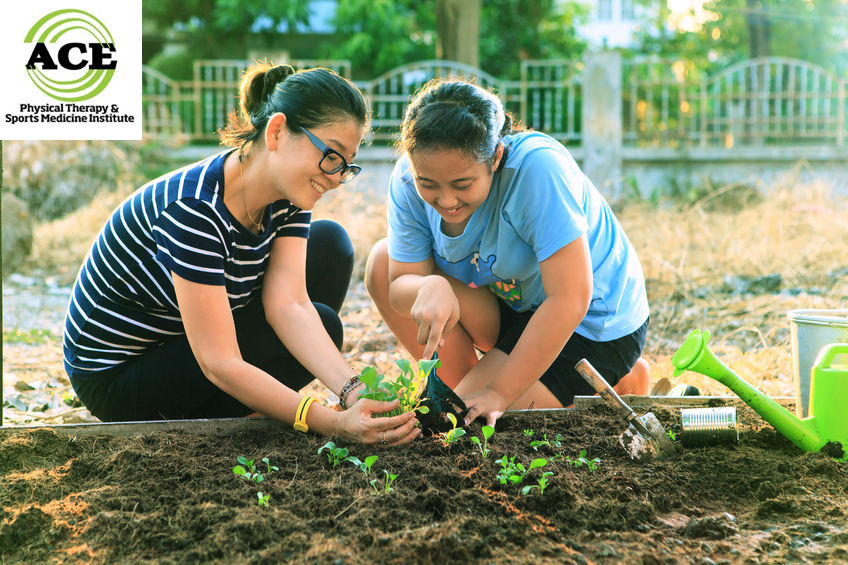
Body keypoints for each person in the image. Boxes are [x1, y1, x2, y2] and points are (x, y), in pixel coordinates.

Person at [63, 62, 418, 446]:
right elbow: (219, 362)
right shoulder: (194, 209)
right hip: (120, 377)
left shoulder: (290, 194)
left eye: (345, 165)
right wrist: (329, 423)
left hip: (187, 340)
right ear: (277, 131)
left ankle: (253, 404)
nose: (335, 178)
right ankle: (250, 408)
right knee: (325, 325)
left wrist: (353, 390)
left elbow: (289, 305)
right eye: (330, 156)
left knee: (329, 248)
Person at [365, 79, 651, 428]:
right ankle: (467, 385)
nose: (446, 200)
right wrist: (428, 286)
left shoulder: (538, 169)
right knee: (382, 262)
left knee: (473, 419)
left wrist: (499, 393)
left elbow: (570, 298)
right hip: (515, 306)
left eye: (462, 184)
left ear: (496, 157)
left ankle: (619, 380)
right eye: (428, 183)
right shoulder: (407, 181)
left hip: (590, 322)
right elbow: (397, 285)